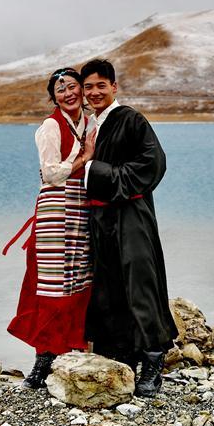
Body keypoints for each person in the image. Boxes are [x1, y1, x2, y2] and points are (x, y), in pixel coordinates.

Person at [80, 58, 178, 398]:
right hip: (101, 219)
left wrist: (99, 171)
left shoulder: (131, 119)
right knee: (108, 284)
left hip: (132, 215)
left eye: (100, 86)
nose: (94, 92)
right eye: (88, 87)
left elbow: (154, 162)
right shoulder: (92, 125)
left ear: (114, 87)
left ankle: (153, 361)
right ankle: (121, 355)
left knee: (140, 282)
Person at [3, 67, 98, 389]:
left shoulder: (91, 122)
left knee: (80, 277)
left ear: (82, 91)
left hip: (82, 208)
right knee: (52, 283)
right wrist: (84, 158)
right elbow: (51, 174)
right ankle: (43, 358)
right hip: (56, 209)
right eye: (61, 90)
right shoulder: (50, 126)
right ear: (53, 97)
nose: (69, 94)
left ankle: (72, 346)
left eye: (73, 87)